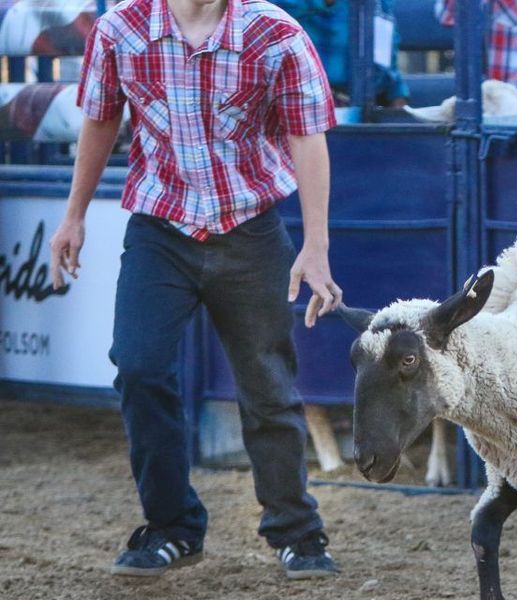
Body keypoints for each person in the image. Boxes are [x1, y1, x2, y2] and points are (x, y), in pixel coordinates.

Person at [48, 0, 344, 580]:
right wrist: (73, 215)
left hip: (251, 228)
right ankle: (172, 528)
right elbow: (101, 118)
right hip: (160, 228)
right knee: (139, 366)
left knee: (267, 383)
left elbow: (306, 135)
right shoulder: (120, 30)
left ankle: (296, 533)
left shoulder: (275, 32)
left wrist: (316, 246)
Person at [273, 0, 410, 108]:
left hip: (372, 105)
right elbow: (268, 14)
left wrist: (397, 94)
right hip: (314, 103)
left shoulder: (382, 4)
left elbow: (387, 51)